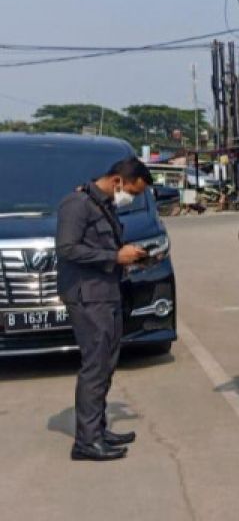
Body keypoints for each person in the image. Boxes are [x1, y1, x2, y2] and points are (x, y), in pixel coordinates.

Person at [56, 157, 153, 461]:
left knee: (107, 363)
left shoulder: (105, 204)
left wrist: (134, 257)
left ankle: (97, 429)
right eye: (133, 192)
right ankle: (85, 442)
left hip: (107, 293)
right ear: (118, 181)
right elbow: (67, 248)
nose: (132, 198)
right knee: (95, 365)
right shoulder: (77, 204)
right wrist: (114, 255)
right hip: (88, 296)